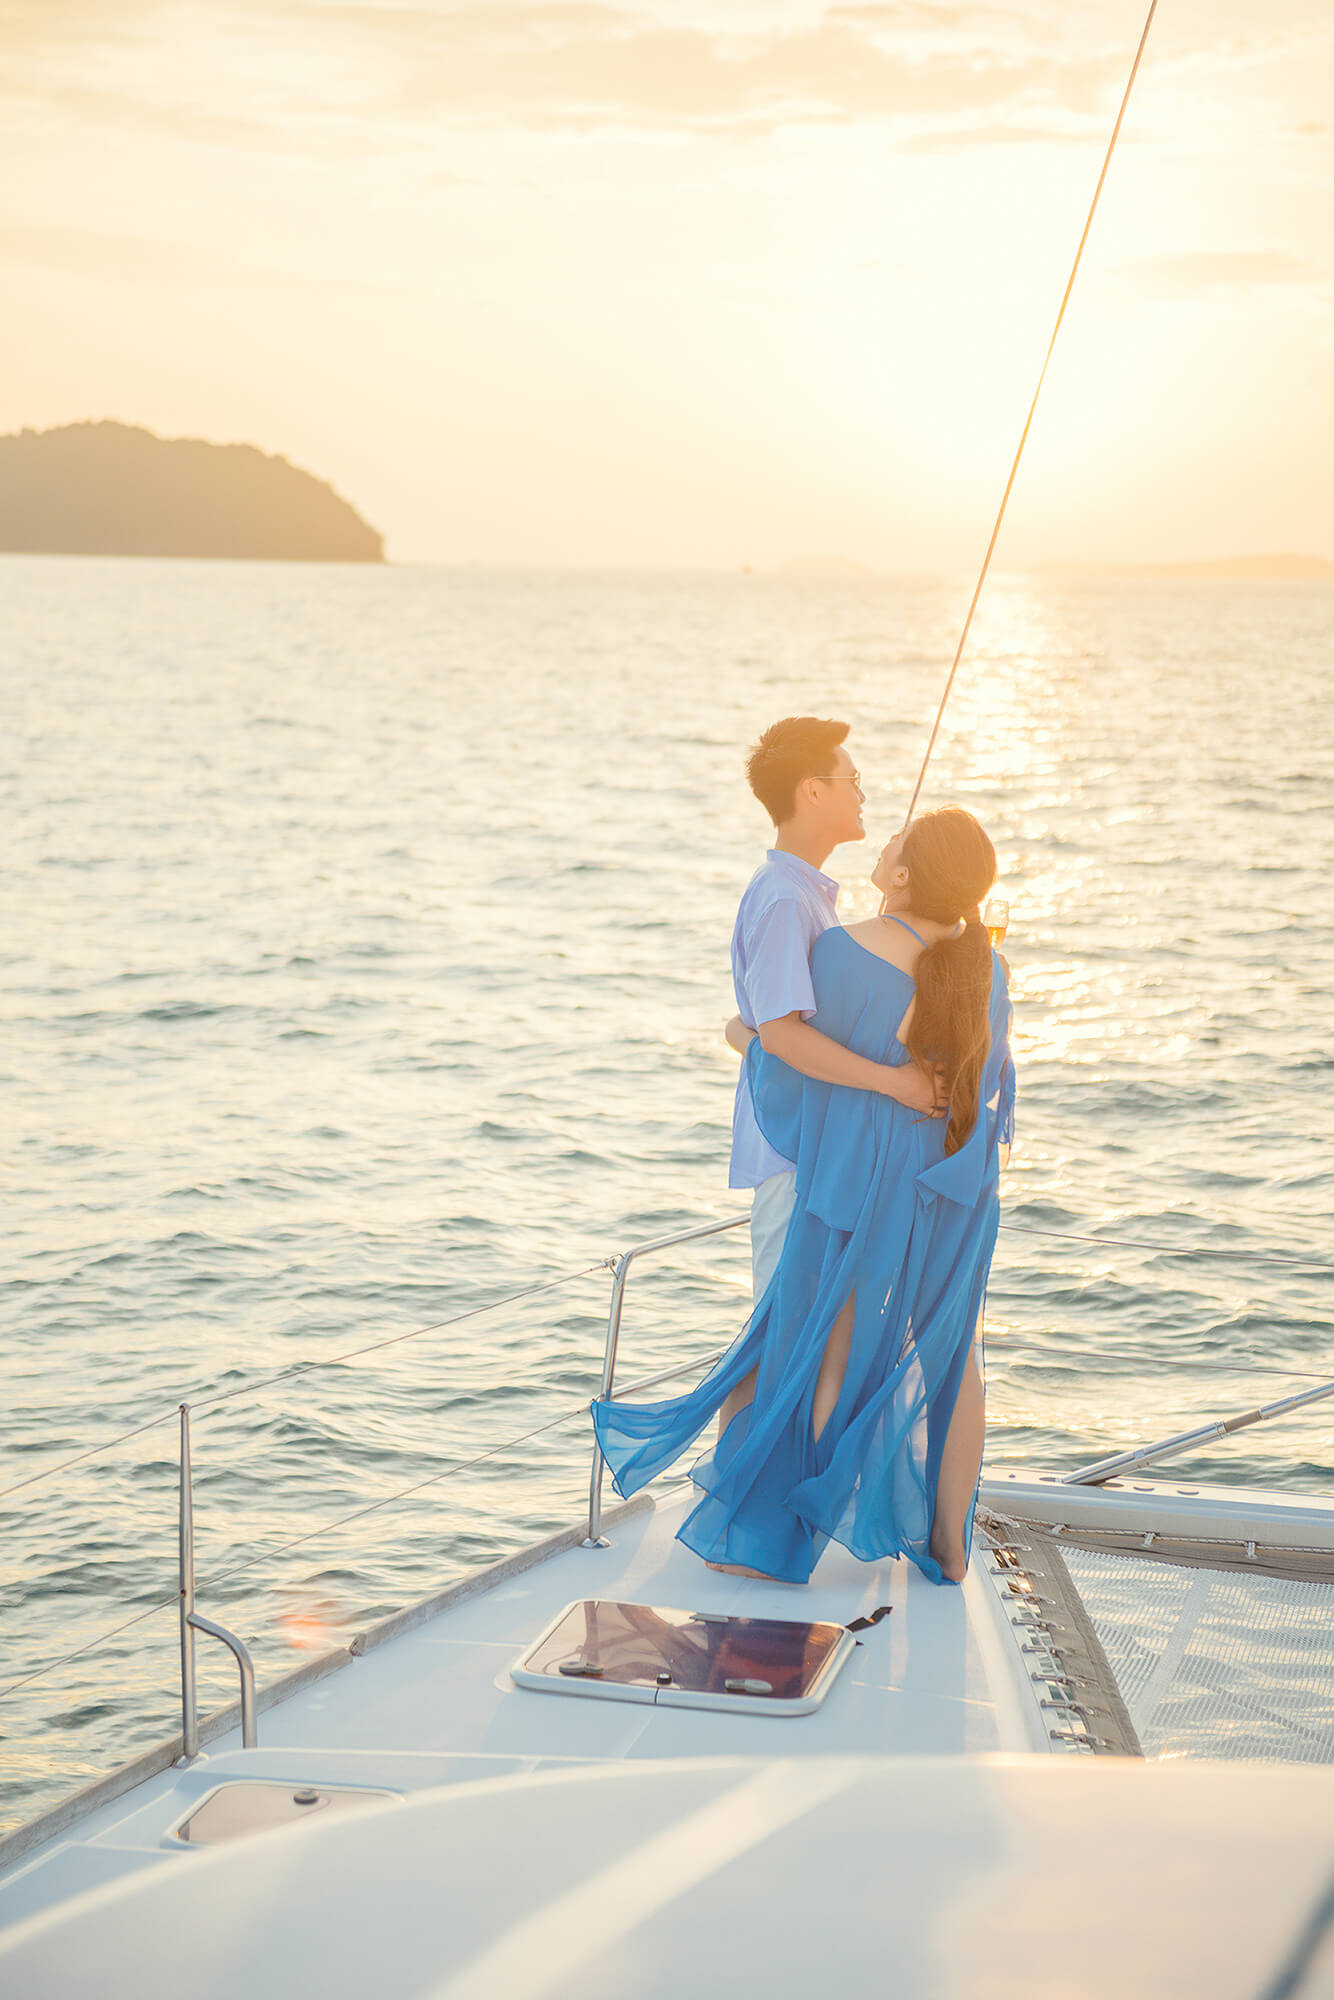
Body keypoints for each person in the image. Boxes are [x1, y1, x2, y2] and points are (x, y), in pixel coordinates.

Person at [591, 803, 1013, 1587]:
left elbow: (794, 1069)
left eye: (897, 843)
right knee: (956, 1361)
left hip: (865, 1181)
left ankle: (801, 1533)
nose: (884, 842)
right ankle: (950, 1546)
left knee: (831, 1351)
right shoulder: (988, 969)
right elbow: (993, 1094)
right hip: (958, 1190)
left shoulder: (845, 952)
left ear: (904, 873)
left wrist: (740, 1037)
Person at [721, 715, 943, 1456]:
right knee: (779, 1333)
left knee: (799, 1330)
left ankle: (756, 1494)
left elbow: (767, 1026)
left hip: (816, 1146)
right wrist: (895, 1084)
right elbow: (782, 1035)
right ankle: (736, 1500)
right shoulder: (787, 899)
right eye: (851, 781)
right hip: (794, 1149)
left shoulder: (810, 894)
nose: (864, 794)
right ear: (812, 791)